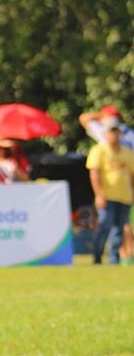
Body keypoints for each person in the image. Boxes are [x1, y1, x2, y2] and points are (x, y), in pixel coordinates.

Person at [80, 105, 134, 263]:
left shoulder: (126, 146)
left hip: (124, 195)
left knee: (120, 228)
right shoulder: (100, 146)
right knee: (105, 226)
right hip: (108, 195)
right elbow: (94, 173)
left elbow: (131, 173)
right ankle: (98, 257)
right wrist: (99, 194)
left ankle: (115, 258)